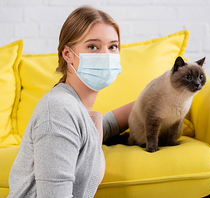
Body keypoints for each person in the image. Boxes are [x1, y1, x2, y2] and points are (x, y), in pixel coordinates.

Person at [8, 5, 134, 198]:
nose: (106, 56)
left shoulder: (72, 106)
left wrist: (151, 102)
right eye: (93, 46)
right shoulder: (59, 110)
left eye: (112, 47)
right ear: (68, 54)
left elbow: (90, 132)